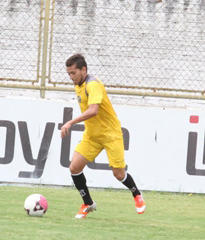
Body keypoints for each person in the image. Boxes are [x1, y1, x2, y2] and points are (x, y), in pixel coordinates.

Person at [60, 54, 146, 218]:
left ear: (83, 70)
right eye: (68, 74)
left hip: (110, 135)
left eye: (73, 73)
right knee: (74, 168)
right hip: (92, 136)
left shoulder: (93, 85)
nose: (71, 77)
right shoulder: (79, 83)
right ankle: (88, 203)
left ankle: (137, 194)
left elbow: (93, 110)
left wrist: (70, 122)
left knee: (119, 174)